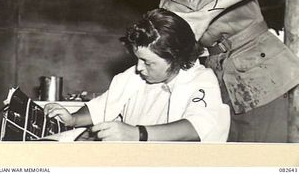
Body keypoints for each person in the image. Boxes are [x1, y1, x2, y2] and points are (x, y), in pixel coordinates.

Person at [130, 0, 299, 142]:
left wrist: (206, 14)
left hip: (261, 71)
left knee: (261, 152)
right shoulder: (167, 5)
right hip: (217, 79)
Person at [44, 8, 230, 142]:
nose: (139, 68)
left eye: (148, 62)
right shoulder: (133, 77)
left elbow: (198, 127)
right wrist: (73, 119)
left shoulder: (200, 79)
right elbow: (101, 107)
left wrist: (137, 134)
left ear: (175, 57)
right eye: (138, 59)